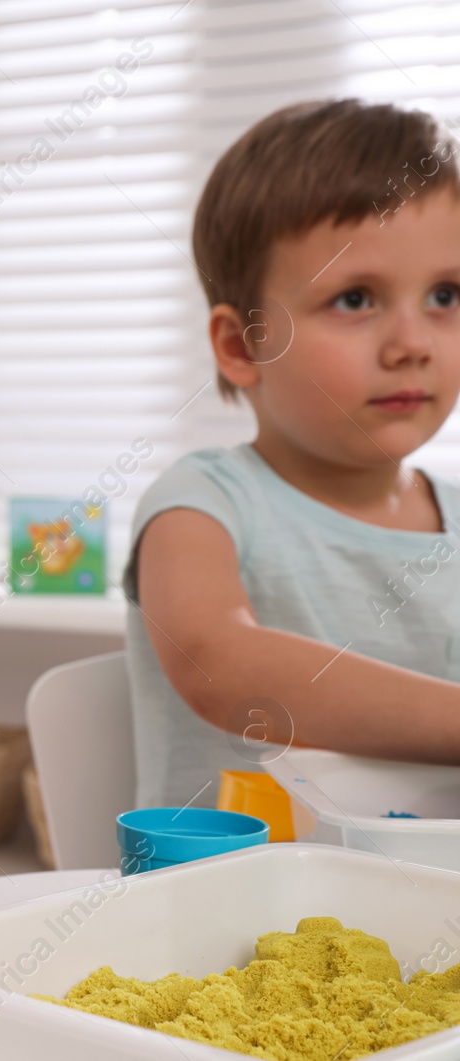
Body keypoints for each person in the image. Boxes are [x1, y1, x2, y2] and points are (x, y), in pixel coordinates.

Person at [125, 98, 460, 811]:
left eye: (445, 294)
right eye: (355, 299)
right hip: (230, 913)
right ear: (243, 345)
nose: (413, 343)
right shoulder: (203, 505)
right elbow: (219, 664)